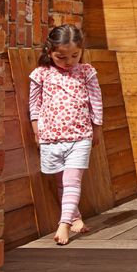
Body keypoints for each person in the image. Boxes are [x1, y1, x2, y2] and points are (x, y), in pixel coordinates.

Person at [28, 24, 103, 245]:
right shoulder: (41, 74)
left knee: (72, 180)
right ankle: (76, 218)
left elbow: (96, 101)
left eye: (74, 55)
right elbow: (34, 104)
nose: (69, 61)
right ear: (49, 52)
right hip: (51, 136)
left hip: (80, 135)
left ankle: (64, 225)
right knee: (62, 182)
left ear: (81, 51)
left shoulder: (86, 71)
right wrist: (36, 131)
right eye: (61, 57)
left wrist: (96, 127)